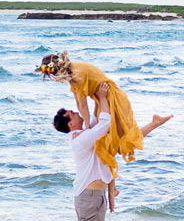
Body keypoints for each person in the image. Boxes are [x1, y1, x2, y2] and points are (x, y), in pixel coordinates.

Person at [52, 81, 171, 221]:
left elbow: (95, 115)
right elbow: (104, 123)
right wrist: (104, 98)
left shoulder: (83, 134)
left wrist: (97, 97)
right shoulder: (82, 139)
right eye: (73, 114)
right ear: (70, 124)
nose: (77, 114)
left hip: (86, 196)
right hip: (90, 197)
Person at [38, 50, 147, 210]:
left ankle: (112, 190)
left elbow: (82, 105)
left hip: (110, 97)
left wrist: (87, 129)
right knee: (106, 145)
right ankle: (112, 190)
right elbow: (78, 101)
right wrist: (88, 128)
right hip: (102, 97)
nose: (56, 78)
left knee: (114, 142)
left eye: (54, 74)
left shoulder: (77, 74)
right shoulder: (73, 74)